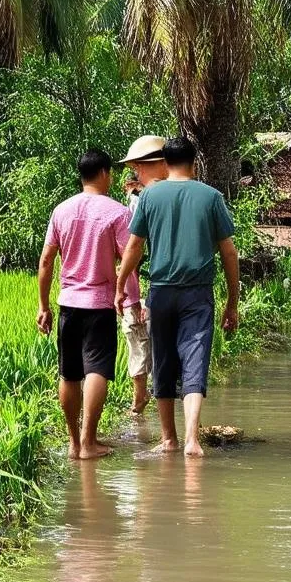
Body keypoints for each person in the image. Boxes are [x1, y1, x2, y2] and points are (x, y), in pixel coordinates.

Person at [116, 137, 240, 457]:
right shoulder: (211, 197)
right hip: (198, 294)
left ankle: (169, 439)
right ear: (194, 162)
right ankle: (192, 440)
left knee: (165, 363)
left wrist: (119, 286)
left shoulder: (149, 196)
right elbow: (229, 252)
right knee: (195, 361)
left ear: (165, 163)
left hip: (161, 292)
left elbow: (134, 247)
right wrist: (232, 303)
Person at [38, 150, 144, 460]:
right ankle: (89, 441)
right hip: (99, 305)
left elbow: (46, 260)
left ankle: (73, 443)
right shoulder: (116, 213)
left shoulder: (61, 210)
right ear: (104, 173)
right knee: (97, 368)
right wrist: (131, 299)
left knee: (69, 373)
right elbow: (129, 260)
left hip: (68, 304)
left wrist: (43, 306)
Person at [118, 134, 170, 413]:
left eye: (139, 167)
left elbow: (133, 249)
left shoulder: (141, 205)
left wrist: (127, 293)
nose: (136, 174)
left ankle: (142, 403)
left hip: (148, 291)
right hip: (152, 291)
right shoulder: (136, 205)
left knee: (140, 340)